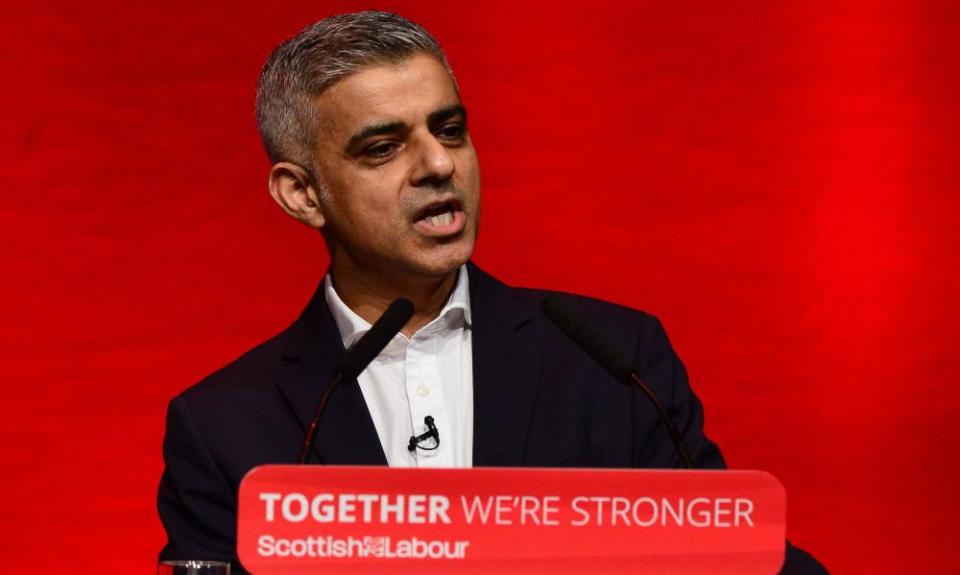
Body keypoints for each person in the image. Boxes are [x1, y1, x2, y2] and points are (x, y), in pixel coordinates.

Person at [157, 11, 825, 573]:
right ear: (301, 193)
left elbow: (744, 558)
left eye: (449, 130)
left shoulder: (614, 363)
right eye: (385, 147)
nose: (439, 164)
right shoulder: (224, 427)